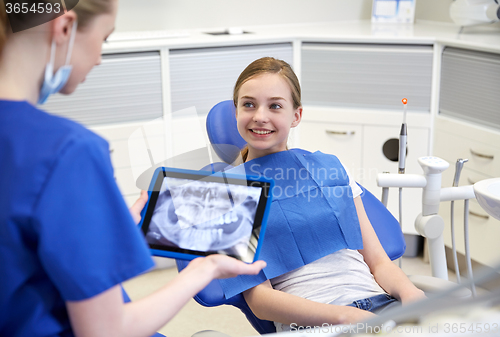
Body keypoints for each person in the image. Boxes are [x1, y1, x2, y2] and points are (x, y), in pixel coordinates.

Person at [0, 1, 265, 336]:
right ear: (63, 28)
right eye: (104, 38)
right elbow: (105, 331)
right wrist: (205, 268)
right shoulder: (67, 151)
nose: (98, 57)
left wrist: (95, 230)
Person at [217, 57, 426, 332]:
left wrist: (413, 297)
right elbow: (259, 299)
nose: (259, 116)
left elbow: (378, 262)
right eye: (249, 104)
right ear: (236, 111)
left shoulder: (330, 170)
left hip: (380, 308)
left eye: (275, 105)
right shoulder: (228, 195)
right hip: (313, 325)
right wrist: (344, 317)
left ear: (296, 116)